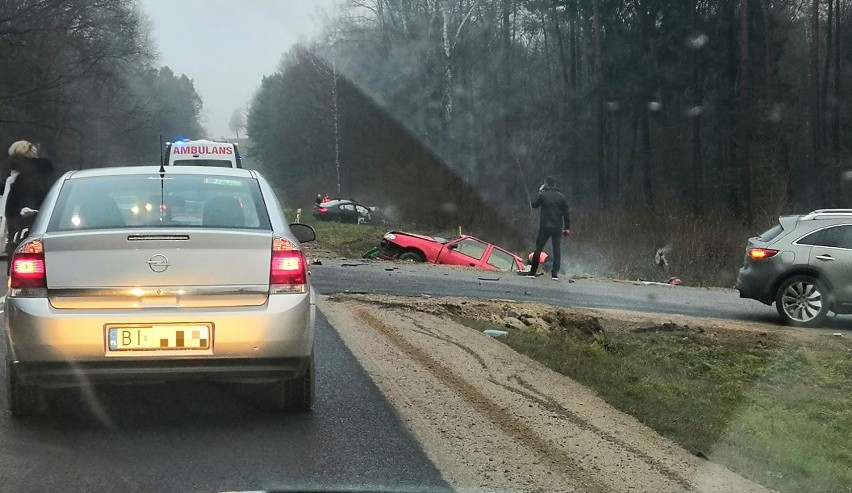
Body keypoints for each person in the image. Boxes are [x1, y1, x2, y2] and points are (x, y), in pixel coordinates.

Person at [4, 141, 54, 259]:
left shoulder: (18, 179)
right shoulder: (49, 176)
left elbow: (11, 209)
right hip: (44, 226)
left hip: (20, 231)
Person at [527, 176, 571, 280]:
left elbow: (534, 205)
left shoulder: (543, 195)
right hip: (557, 227)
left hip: (545, 227)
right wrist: (567, 227)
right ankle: (554, 274)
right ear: (555, 185)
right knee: (557, 250)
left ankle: (532, 272)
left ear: (546, 184)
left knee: (538, 248)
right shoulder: (562, 197)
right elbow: (566, 213)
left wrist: (539, 192)